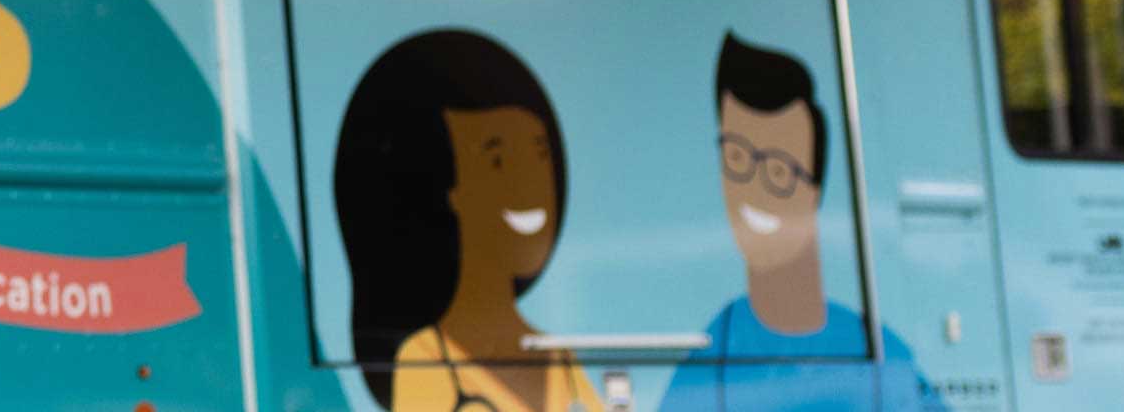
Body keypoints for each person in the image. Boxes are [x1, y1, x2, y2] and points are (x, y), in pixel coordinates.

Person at [655, 32, 941, 412]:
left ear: (814, 188)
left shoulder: (883, 353)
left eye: (779, 170)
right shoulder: (716, 350)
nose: (754, 190)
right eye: (738, 160)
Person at [333, 29, 595, 412]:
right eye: (496, 159)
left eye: (538, 155)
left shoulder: (560, 357)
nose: (528, 185)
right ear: (444, 188)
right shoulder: (423, 359)